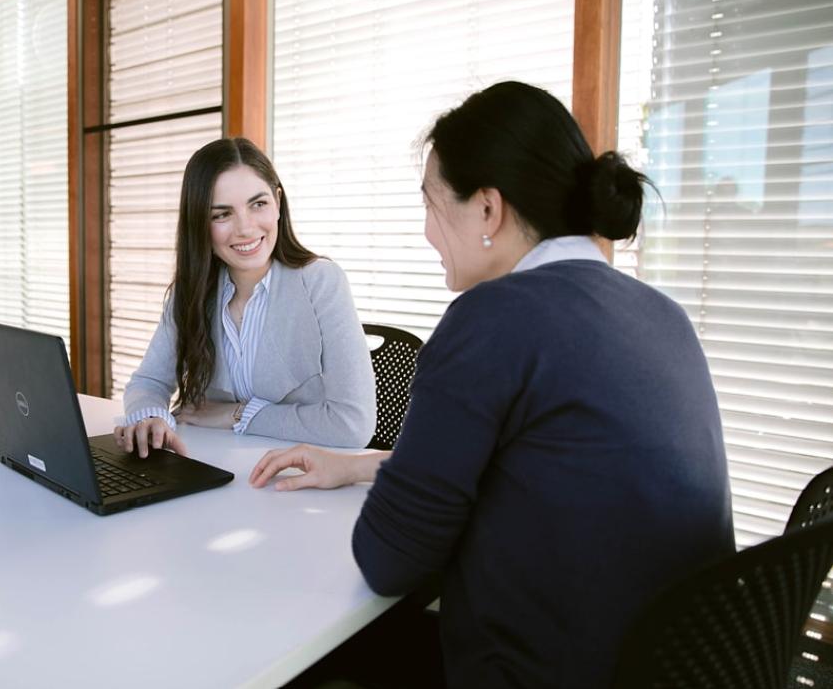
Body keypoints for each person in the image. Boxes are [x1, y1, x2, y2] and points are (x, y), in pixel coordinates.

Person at [250, 82, 735, 688]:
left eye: (431, 205)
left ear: (487, 209)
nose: (428, 231)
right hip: (678, 668)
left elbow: (387, 558)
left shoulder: (492, 318)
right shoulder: (661, 314)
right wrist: (358, 466)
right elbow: (545, 471)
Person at [114, 137, 376, 458]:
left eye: (258, 204)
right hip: (218, 463)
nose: (246, 229)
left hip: (300, 472)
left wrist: (237, 415)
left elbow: (353, 424)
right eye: (221, 214)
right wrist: (151, 418)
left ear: (277, 202)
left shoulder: (321, 282)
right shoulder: (192, 291)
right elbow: (148, 382)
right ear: (199, 223)